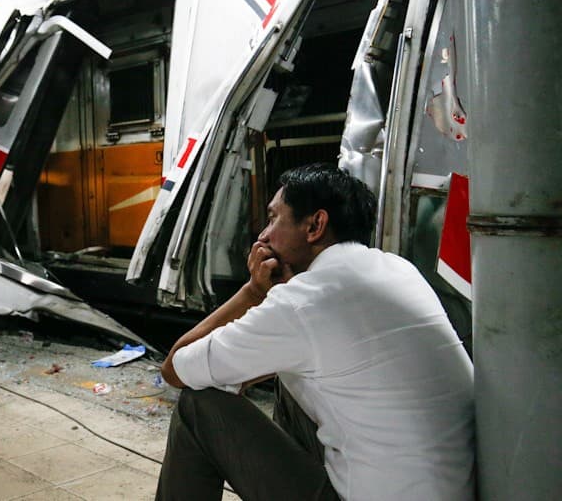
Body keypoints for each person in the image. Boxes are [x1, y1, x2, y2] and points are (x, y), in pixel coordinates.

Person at [156, 164, 475, 500]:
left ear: (315, 226)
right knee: (287, 375)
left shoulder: (304, 302)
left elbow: (175, 369)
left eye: (273, 218)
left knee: (198, 406)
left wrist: (252, 292)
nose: (263, 235)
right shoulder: (397, 269)